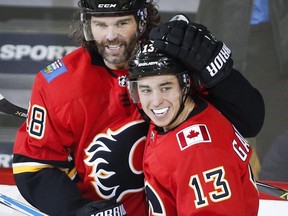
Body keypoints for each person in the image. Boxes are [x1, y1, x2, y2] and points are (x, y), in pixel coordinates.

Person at [12, 1, 264, 215]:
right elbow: (34, 167)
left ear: (142, 20)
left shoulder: (178, 60)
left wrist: (219, 74)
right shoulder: (59, 84)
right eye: (100, 24)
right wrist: (78, 209)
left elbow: (250, 121)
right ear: (87, 24)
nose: (111, 36)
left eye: (122, 23)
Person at [127, 40, 259, 215]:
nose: (156, 101)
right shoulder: (176, 113)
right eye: (146, 90)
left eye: (165, 88)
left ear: (185, 86)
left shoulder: (199, 155)